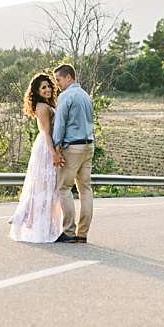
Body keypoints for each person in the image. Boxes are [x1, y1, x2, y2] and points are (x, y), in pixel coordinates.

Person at [8, 73, 65, 243]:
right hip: (45, 148)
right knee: (42, 187)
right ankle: (25, 217)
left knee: (49, 188)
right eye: (43, 88)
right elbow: (46, 133)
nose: (47, 89)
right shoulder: (41, 107)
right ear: (37, 91)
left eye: (48, 86)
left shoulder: (48, 104)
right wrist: (53, 152)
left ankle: (30, 219)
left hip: (49, 146)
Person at [51, 64, 94, 243]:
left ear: (68, 77)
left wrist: (55, 147)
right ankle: (82, 233)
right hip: (89, 145)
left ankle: (68, 231)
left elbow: (60, 124)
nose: (58, 84)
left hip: (73, 147)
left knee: (64, 187)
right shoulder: (86, 96)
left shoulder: (65, 96)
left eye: (58, 80)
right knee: (85, 189)